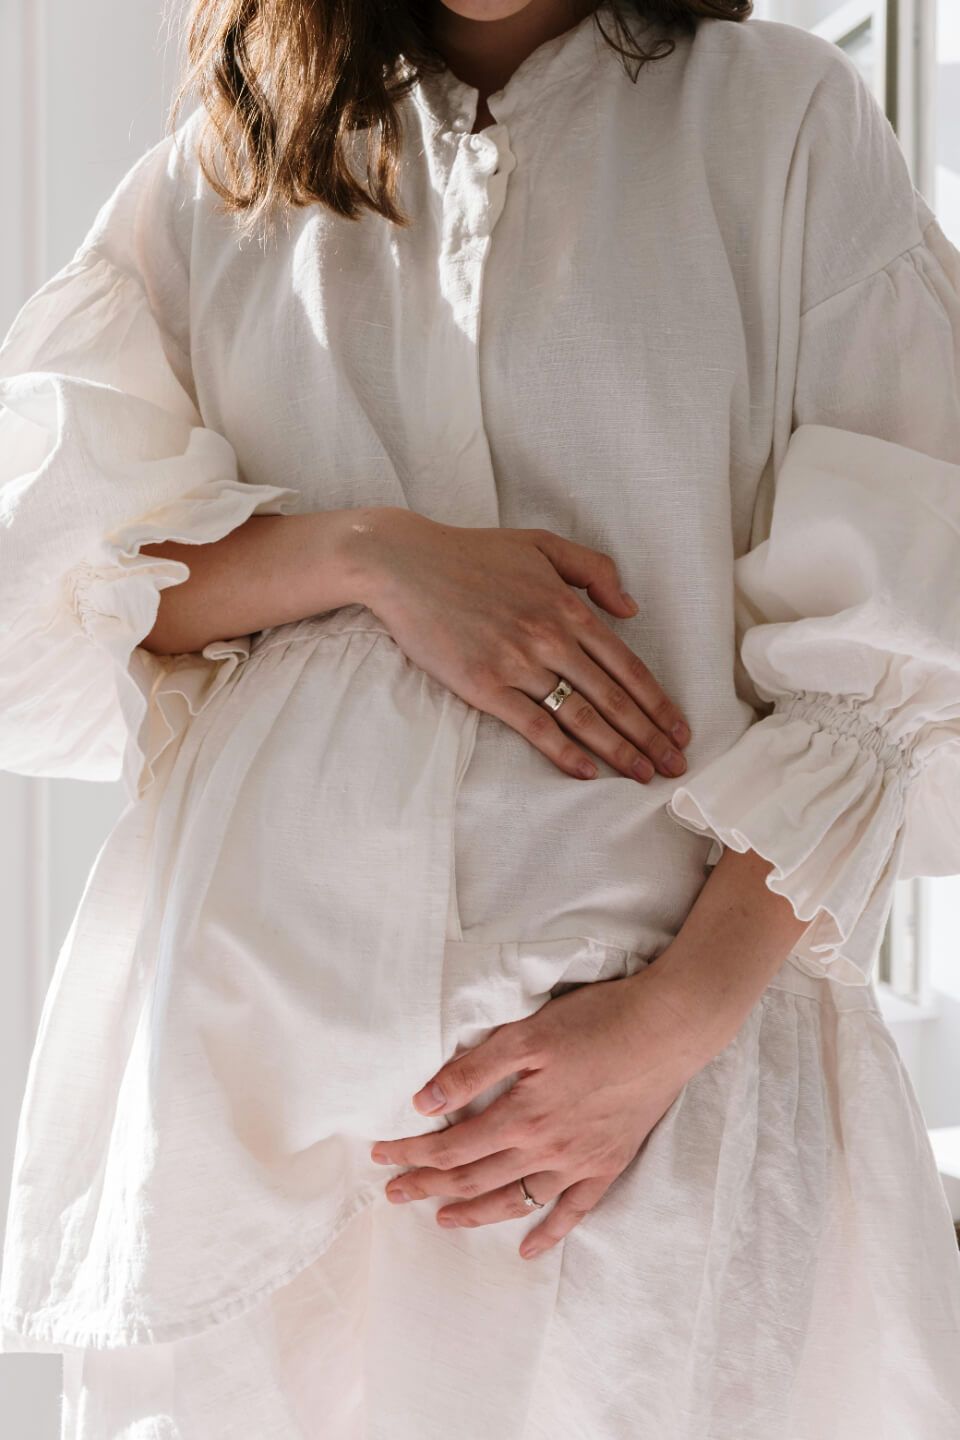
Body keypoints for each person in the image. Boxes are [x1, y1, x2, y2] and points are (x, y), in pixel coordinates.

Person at [1, 0, 959, 1434]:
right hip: (256, 1108)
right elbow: (49, 597)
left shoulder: (780, 123)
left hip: (648, 1106)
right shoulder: (231, 166)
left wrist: (670, 1028)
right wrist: (366, 557)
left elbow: (908, 650)